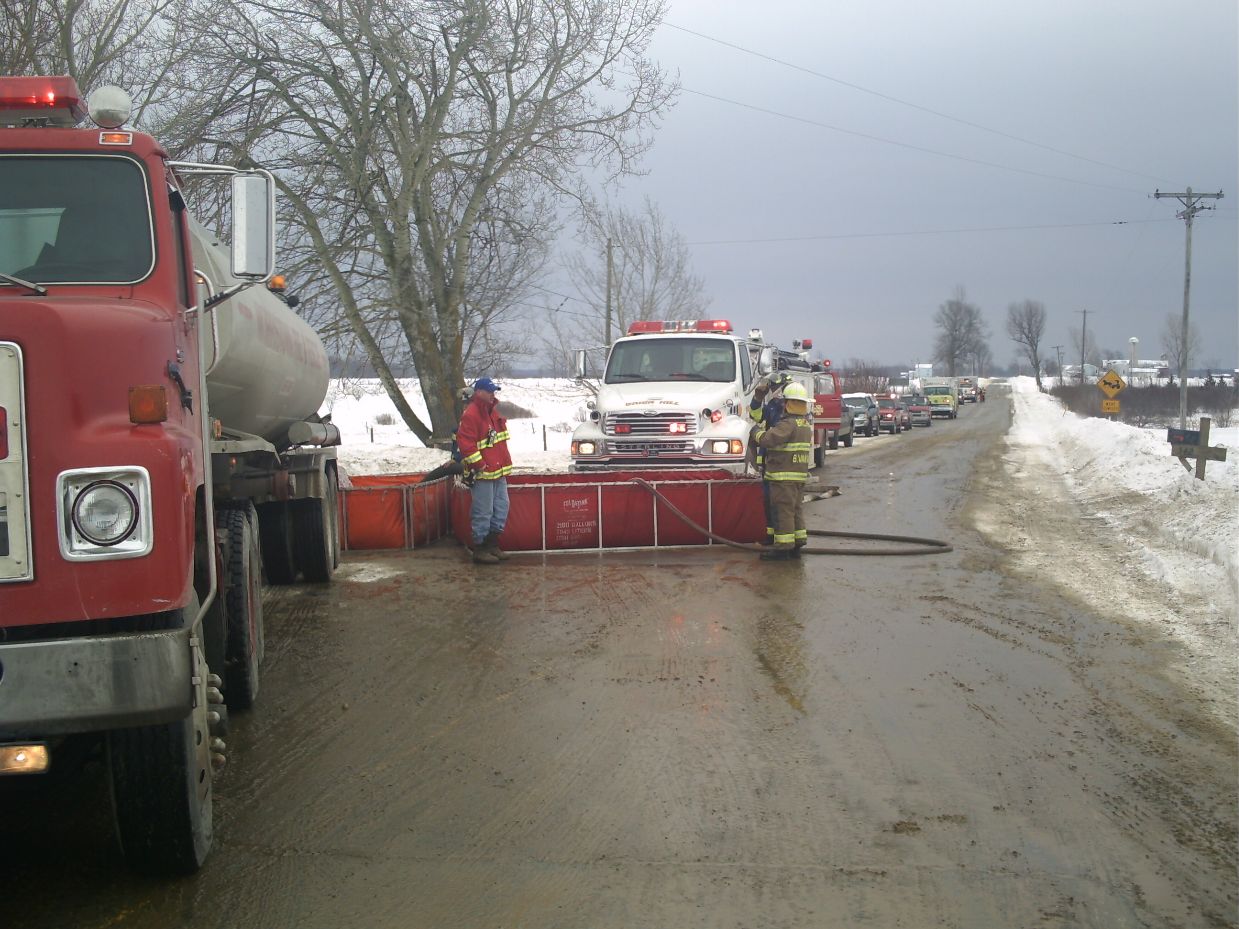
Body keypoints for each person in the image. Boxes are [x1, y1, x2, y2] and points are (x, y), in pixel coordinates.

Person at [456, 376, 512, 564]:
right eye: (489, 391)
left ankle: (492, 545)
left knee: (501, 508)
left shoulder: (496, 411)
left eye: (493, 391)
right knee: (483, 511)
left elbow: (499, 442)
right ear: (478, 392)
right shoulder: (471, 414)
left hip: (498, 471)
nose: (492, 394)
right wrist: (479, 465)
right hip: (483, 473)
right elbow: (466, 445)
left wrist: (503, 464)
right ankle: (480, 548)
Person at [754, 382, 812, 561]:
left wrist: (755, 432)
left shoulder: (788, 424)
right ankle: (798, 542)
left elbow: (768, 439)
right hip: (797, 476)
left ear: (789, 403)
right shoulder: (804, 424)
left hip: (783, 476)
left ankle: (783, 547)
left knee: (783, 512)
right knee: (795, 509)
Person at [749, 371, 792, 544]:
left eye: (774, 387)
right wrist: (757, 399)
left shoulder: (789, 408)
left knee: (781, 505)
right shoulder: (773, 404)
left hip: (782, 463)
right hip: (769, 462)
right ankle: (770, 536)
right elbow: (756, 416)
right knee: (768, 502)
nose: (772, 389)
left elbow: (775, 435)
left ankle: (784, 542)